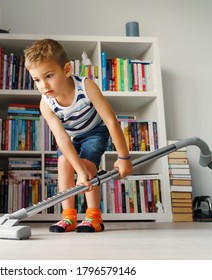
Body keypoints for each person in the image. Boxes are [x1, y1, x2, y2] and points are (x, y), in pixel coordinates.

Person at [24, 39, 133, 233]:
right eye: (37, 80)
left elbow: (110, 120)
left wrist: (123, 158)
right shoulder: (46, 104)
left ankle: (93, 217)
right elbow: (62, 138)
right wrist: (78, 172)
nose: (43, 85)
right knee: (63, 163)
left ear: (66, 70)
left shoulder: (86, 86)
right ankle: (69, 217)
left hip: (95, 132)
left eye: (49, 76)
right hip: (72, 138)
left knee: (87, 166)